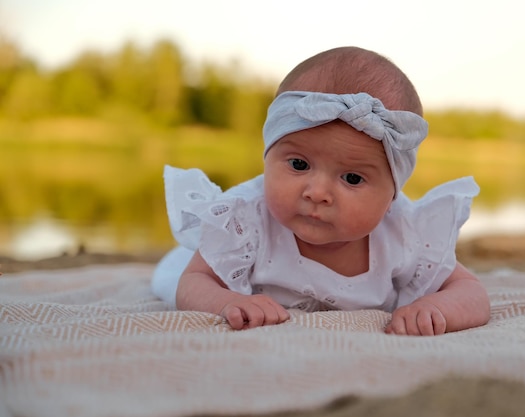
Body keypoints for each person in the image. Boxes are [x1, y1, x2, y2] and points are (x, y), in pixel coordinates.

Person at [151, 46, 491, 336]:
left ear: (392, 195)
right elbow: (194, 280)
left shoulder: (403, 233)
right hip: (214, 267)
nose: (317, 193)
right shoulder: (246, 219)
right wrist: (228, 302)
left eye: (353, 179)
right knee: (172, 275)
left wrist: (437, 308)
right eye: (299, 165)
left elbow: (472, 292)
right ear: (268, 156)